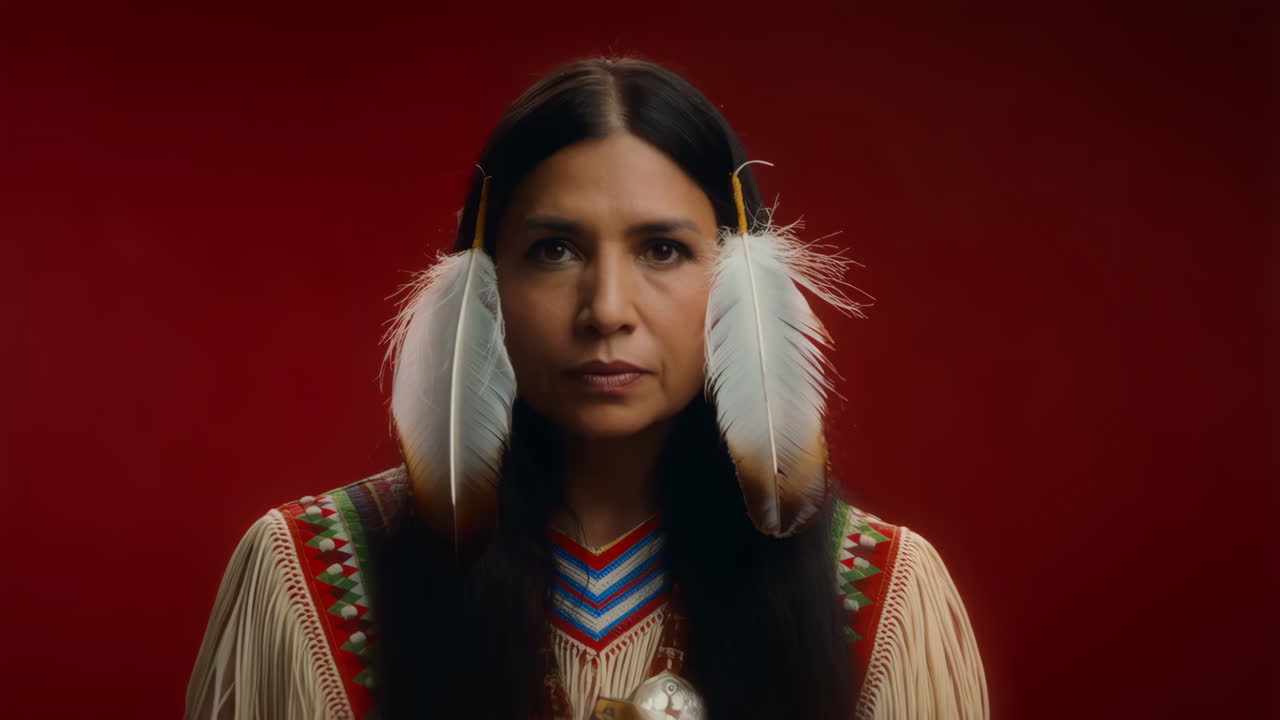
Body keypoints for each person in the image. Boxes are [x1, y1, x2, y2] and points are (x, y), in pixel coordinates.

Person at [184, 56, 989, 720]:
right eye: (555, 250)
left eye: (663, 250)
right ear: (483, 283)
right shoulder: (316, 577)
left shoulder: (882, 597)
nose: (607, 309)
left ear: (745, 284)